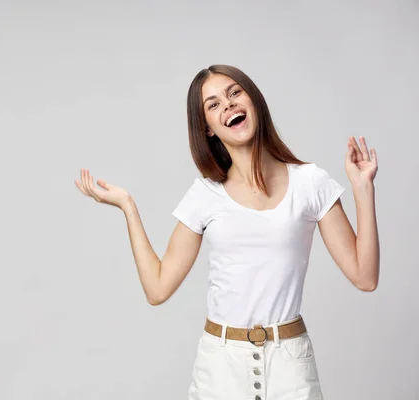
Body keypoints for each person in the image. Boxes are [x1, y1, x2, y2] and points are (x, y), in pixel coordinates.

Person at [74, 64, 379, 400]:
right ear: (207, 128)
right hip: (221, 369)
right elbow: (157, 288)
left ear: (254, 101)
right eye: (214, 104)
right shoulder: (205, 195)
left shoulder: (310, 182)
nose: (229, 105)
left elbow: (365, 277)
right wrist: (127, 206)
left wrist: (362, 188)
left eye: (235, 93)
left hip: (290, 365)